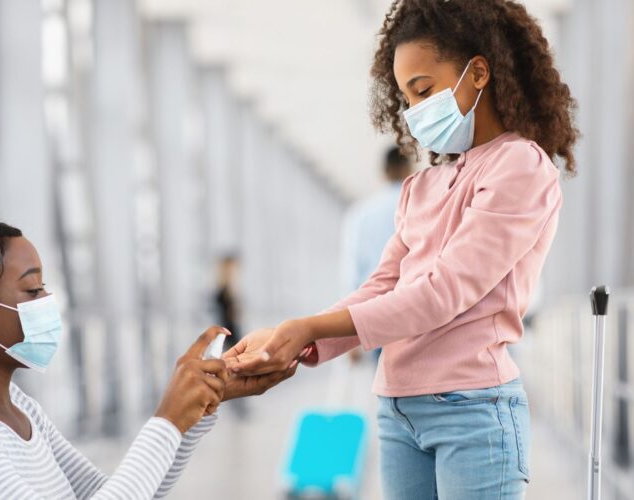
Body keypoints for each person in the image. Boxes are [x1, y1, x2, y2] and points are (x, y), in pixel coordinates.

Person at [225, 0, 578, 498]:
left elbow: (443, 293)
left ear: (478, 72)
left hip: (472, 411)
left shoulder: (519, 167)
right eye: (407, 99)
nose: (414, 113)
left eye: (424, 90)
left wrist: (307, 327)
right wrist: (293, 341)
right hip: (397, 407)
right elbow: (382, 285)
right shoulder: (425, 186)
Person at [0, 216, 295, 499]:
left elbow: (119, 493)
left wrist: (195, 408)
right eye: (33, 291)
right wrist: (167, 419)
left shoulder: (19, 409)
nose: (48, 303)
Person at [341, 146, 413, 364]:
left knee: (384, 384)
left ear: (383, 172)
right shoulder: (420, 205)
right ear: (410, 169)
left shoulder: (361, 214)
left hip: (374, 312)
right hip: (414, 310)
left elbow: (352, 271)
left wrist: (347, 337)